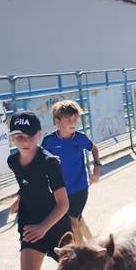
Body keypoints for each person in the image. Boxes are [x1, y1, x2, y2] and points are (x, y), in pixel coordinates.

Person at [7, 111, 72, 270]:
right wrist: (20, 197)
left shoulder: (49, 162)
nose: (24, 141)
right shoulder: (13, 161)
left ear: (39, 135)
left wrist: (46, 227)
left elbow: (63, 203)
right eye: (18, 136)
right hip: (31, 227)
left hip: (55, 227)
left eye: (30, 135)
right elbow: (27, 183)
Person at [41, 101, 101, 245]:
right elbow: (40, 163)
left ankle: (82, 257)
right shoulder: (48, 142)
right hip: (60, 191)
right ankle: (94, 244)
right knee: (78, 220)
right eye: (68, 119)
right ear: (57, 122)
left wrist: (97, 167)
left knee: (72, 223)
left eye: (75, 119)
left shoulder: (80, 138)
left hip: (79, 188)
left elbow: (94, 148)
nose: (73, 122)